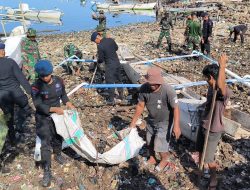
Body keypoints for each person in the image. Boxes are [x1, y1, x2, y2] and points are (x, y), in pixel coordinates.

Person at [31, 60, 75, 187]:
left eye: (47, 75)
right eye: (42, 76)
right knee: (45, 143)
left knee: (58, 136)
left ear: (51, 72)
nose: (45, 78)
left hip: (57, 116)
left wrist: (68, 103)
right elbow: (38, 104)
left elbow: (63, 95)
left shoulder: (59, 81)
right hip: (43, 117)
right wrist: (53, 109)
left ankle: (58, 154)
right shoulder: (35, 86)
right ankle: (47, 170)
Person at [129, 67, 181, 171]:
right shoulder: (144, 89)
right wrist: (133, 122)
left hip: (165, 122)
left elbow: (176, 108)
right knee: (149, 141)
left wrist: (176, 126)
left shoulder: (168, 90)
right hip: (152, 120)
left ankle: (164, 159)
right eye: (150, 83)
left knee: (160, 144)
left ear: (159, 81)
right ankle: (152, 158)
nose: (152, 85)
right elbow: (140, 106)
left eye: (154, 83)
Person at [196, 54, 231, 190]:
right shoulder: (211, 88)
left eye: (207, 78)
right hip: (204, 123)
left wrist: (222, 66)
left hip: (213, 128)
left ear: (211, 77)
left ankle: (213, 178)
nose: (206, 81)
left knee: (209, 159)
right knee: (199, 150)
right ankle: (200, 170)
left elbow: (221, 86)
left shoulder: (224, 91)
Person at [0, 43, 32, 145]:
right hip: (16, 92)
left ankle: (12, 139)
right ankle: (19, 126)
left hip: (3, 96)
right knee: (25, 106)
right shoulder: (10, 62)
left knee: (8, 117)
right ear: (2, 51)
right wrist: (30, 92)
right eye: (3, 50)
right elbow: (21, 78)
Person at [90, 32, 123, 105]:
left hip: (110, 65)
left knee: (109, 81)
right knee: (118, 79)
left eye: (94, 41)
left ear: (97, 38)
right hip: (117, 63)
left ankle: (111, 100)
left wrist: (98, 60)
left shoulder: (100, 46)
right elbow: (116, 48)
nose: (95, 43)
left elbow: (101, 59)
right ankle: (121, 96)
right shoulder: (110, 40)